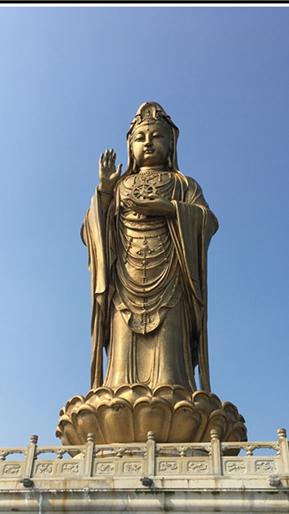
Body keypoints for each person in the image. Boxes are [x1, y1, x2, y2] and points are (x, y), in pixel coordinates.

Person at [82, 102, 218, 395]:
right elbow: (92, 231)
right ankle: (118, 390)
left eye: (156, 136)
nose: (148, 143)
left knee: (169, 368)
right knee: (121, 364)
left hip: (171, 278)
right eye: (140, 138)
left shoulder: (183, 184)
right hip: (125, 280)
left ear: (171, 145)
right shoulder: (120, 186)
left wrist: (169, 209)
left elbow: (206, 220)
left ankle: (174, 391)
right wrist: (105, 191)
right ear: (130, 146)